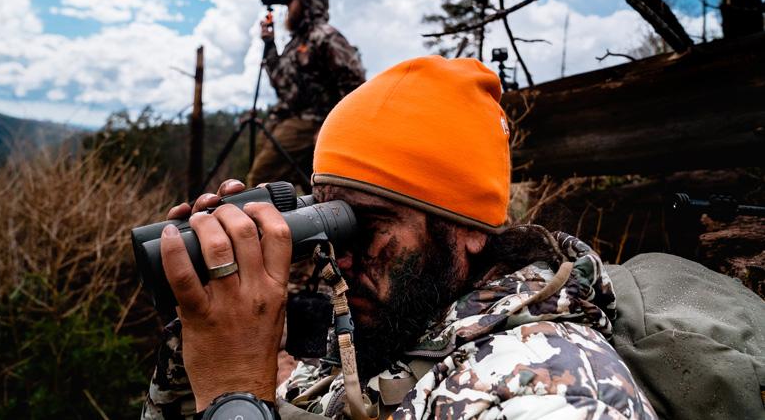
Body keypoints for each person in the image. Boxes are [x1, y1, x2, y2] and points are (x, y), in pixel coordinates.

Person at [142, 56, 657, 419]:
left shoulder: (555, 392)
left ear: (470, 230)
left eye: (364, 224)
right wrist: (201, 334)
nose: (336, 260)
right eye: (321, 220)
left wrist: (237, 394)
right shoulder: (394, 336)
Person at [247, 0, 365, 192]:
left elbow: (355, 85)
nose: (288, 8)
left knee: (261, 177)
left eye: (292, 1)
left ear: (306, 3)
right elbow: (282, 83)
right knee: (308, 181)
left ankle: (255, 220)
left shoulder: (325, 36)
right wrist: (269, 44)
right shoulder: (297, 42)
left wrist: (330, 127)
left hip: (312, 121)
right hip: (289, 118)